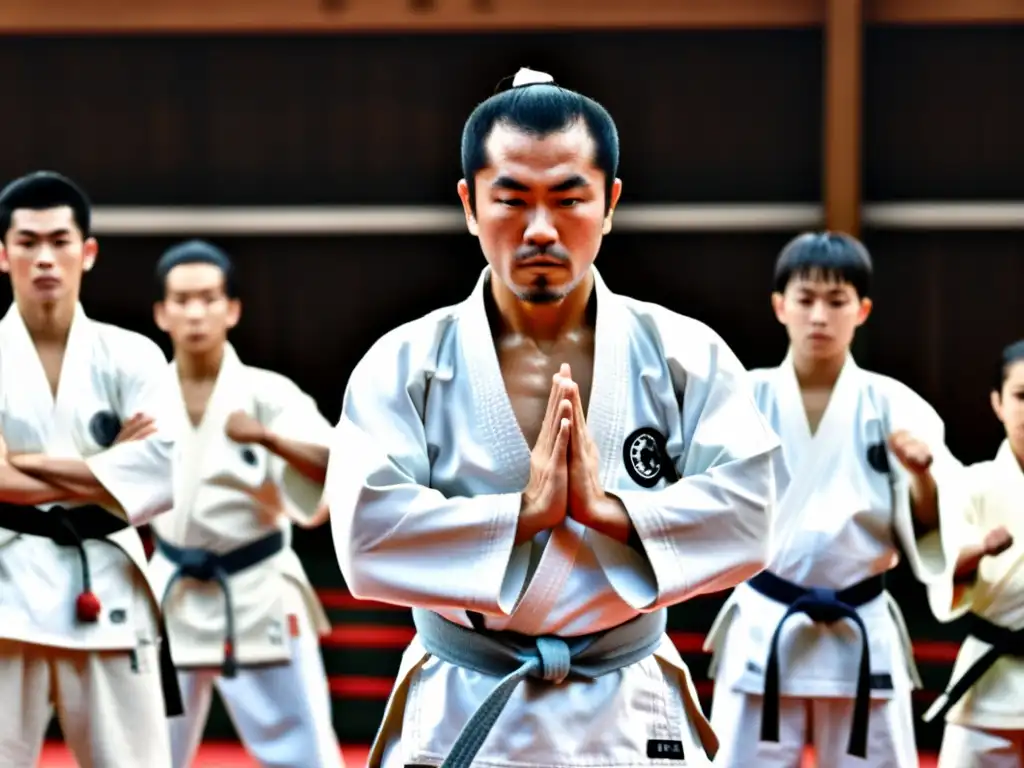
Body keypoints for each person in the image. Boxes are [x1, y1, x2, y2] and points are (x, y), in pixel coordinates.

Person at [325, 67, 784, 768]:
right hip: (465, 696)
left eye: (569, 199)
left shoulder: (684, 353)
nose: (540, 228)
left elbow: (754, 516)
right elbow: (364, 539)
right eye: (511, 200)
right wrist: (520, 518)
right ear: (470, 205)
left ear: (610, 203)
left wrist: (615, 513)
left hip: (627, 704)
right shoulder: (404, 362)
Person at [703, 232, 1002, 767]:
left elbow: (935, 531)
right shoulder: (742, 398)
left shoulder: (896, 404)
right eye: (806, 299)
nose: (820, 315)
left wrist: (921, 478)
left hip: (859, 626)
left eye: (836, 301)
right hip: (767, 622)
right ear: (779, 306)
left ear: (861, 310)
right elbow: (706, 503)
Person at [0, 170, 182, 768]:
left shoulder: (134, 355)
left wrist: (20, 462)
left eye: (59, 240)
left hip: (106, 584)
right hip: (6, 589)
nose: (45, 257)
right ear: (3, 254)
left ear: (88, 251)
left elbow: (160, 474)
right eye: (28, 242)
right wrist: (109, 467)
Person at [149, 239, 344, 768]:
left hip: (258, 586)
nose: (195, 312)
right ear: (161, 312)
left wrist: (268, 439)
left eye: (209, 298)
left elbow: (338, 465)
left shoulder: (268, 393)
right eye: (182, 300)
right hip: (173, 588)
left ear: (232, 309)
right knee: (146, 750)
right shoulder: (141, 397)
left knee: (305, 752)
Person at [924, 339, 1023, 767]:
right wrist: (977, 551)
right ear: (998, 403)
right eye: (1021, 396)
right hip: (987, 689)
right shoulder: (971, 484)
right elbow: (945, 578)